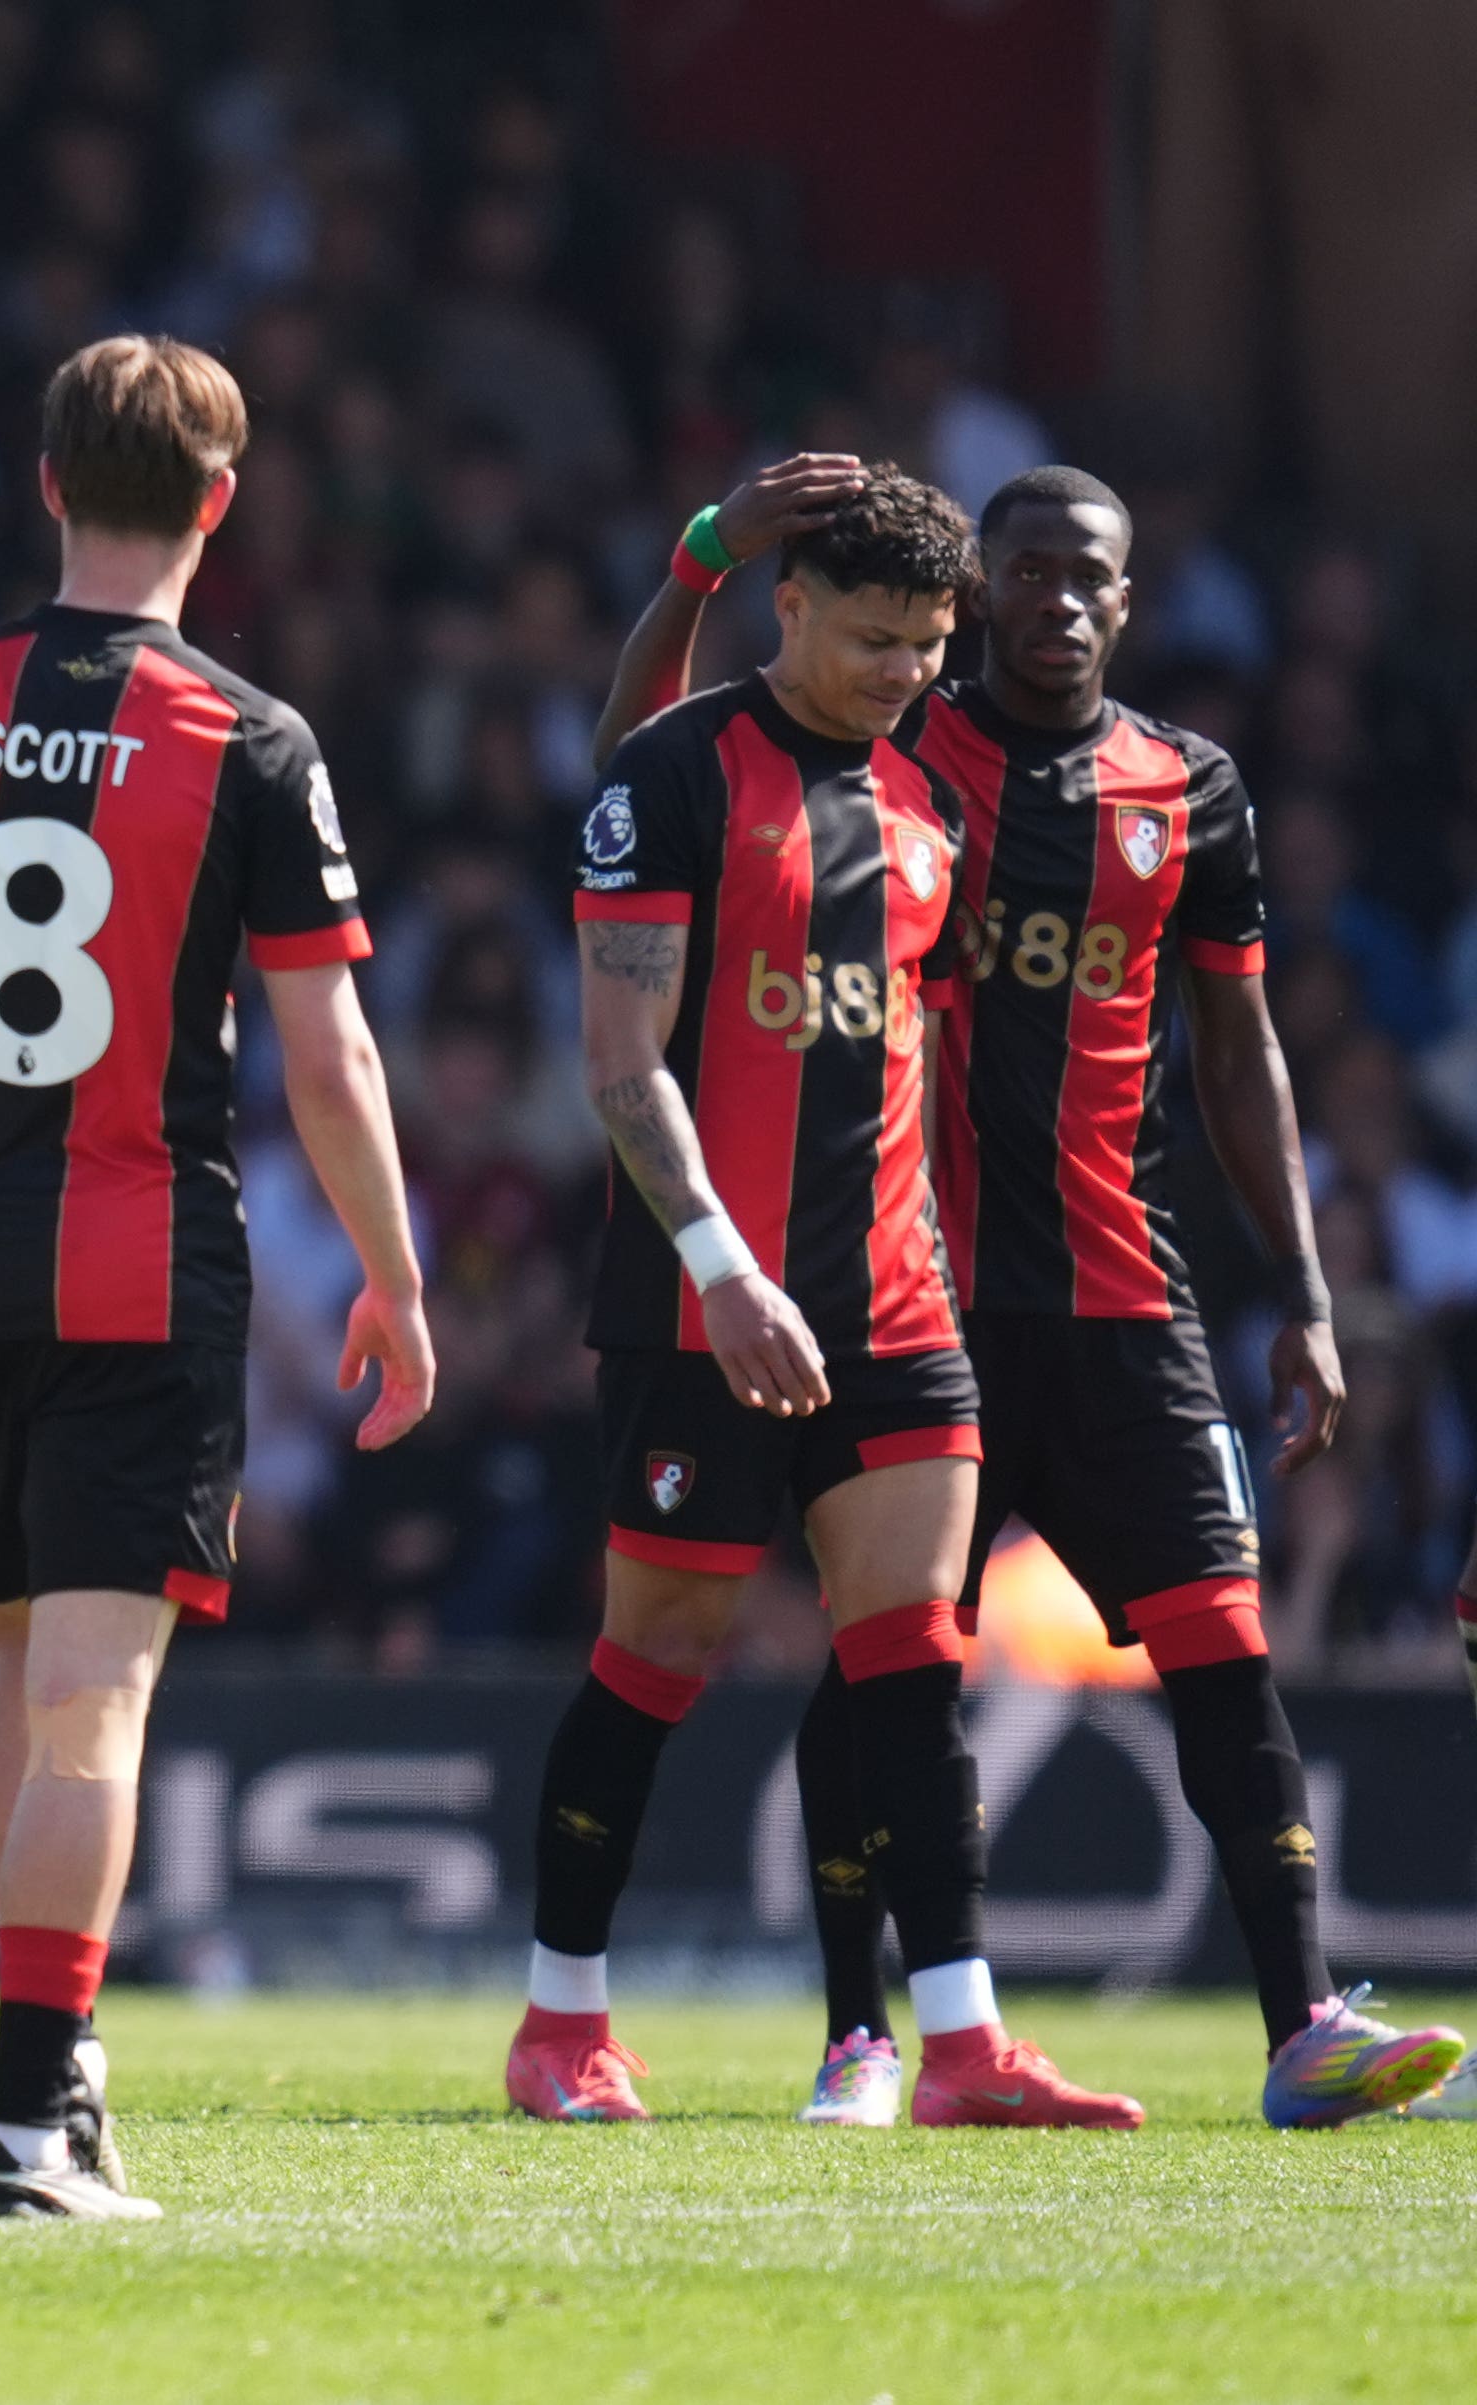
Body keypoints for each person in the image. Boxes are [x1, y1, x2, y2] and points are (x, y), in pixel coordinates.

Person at [599, 459, 1465, 2131]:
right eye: (1031, 574)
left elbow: (1237, 1042)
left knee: (1225, 1648)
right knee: (889, 1666)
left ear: (1130, 600)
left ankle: (1307, 2023)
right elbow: (645, 760)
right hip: (911, 1286)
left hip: (1128, 1290)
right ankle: (865, 2033)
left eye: (1093, 578)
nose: (1060, 604)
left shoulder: (1187, 786)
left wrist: (1302, 1286)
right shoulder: (897, 731)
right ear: (977, 588)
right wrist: (704, 559)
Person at [511, 466, 1140, 2130]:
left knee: (910, 1665)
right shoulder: (679, 773)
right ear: (787, 608)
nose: (903, 672)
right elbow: (621, 1067)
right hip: (691, 1302)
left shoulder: (929, 797)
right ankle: (561, 2018)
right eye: (871, 637)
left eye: (930, 644)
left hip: (894, 1307)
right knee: (661, 1652)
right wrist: (721, 1266)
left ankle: (961, 2041)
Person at [0, 335, 433, 2219]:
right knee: (92, 1712)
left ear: (47, 485)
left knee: (17, 1666)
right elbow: (329, 1051)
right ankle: (33, 2121)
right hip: (140, 1267)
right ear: (221, 500)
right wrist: (394, 1275)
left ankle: (65, 2062)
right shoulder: (249, 739)